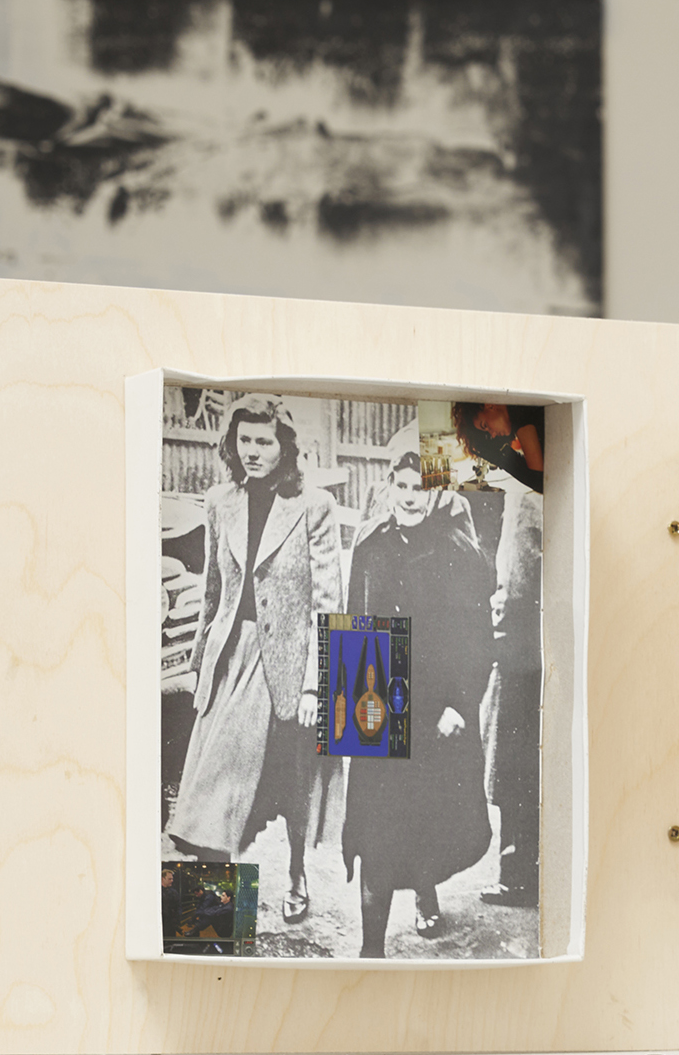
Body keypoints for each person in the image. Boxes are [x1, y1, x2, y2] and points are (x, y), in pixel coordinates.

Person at [162, 396, 341, 922]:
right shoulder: (220, 501)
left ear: (284, 447)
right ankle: (210, 927)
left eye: (264, 441)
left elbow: (327, 604)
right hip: (230, 662)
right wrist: (201, 666)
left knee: (290, 787)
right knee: (210, 799)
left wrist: (314, 684)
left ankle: (296, 872)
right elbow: (213, 592)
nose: (253, 452)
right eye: (245, 440)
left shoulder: (314, 506)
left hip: (286, 667)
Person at [340, 456, 497, 956]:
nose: (410, 497)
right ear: (389, 485)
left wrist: (459, 704)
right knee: (376, 832)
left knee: (424, 825)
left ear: (437, 492)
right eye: (402, 486)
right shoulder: (370, 546)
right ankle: (371, 951)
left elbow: (477, 641)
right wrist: (350, 714)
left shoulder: (459, 551)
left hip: (434, 714)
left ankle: (425, 890)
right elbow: (354, 624)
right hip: (379, 707)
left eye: (420, 488)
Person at [452, 402, 544, 911]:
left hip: (519, 646)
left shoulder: (525, 493)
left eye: (489, 425)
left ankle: (518, 876)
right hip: (540, 640)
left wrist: (498, 623)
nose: (490, 437)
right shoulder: (533, 482)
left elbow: (517, 573)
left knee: (512, 763)